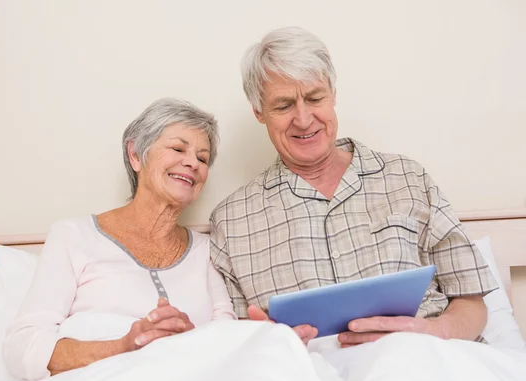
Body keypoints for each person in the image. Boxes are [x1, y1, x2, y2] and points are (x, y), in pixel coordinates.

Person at [209, 26, 497, 347]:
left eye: (315, 98)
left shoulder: (407, 178)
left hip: (424, 360)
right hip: (311, 380)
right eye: (284, 105)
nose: (304, 119)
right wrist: (268, 343)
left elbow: (471, 301)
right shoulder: (231, 221)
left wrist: (431, 331)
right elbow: (236, 344)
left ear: (333, 94)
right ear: (259, 112)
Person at [3, 98, 236, 381]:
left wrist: (187, 343)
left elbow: (228, 343)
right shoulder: (73, 236)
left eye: (202, 158)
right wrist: (124, 347)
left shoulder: (206, 251)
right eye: (178, 148)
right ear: (136, 155)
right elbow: (22, 348)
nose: (192, 163)